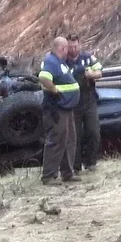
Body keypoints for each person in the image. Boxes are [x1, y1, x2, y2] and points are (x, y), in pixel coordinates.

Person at [37, 35, 79, 184]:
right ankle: (48, 176)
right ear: (63, 48)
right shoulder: (51, 61)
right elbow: (44, 77)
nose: (68, 51)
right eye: (67, 48)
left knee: (68, 140)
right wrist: (54, 90)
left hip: (66, 108)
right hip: (56, 108)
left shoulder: (59, 62)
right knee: (56, 140)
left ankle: (67, 173)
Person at [68, 34, 103, 173]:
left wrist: (91, 74)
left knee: (93, 131)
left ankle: (90, 162)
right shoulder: (63, 61)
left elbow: (100, 72)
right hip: (72, 102)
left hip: (89, 100)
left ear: (79, 45)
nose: (73, 49)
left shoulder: (87, 58)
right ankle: (75, 166)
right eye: (71, 47)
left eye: (75, 46)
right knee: (74, 136)